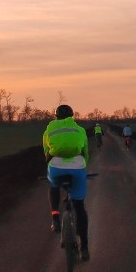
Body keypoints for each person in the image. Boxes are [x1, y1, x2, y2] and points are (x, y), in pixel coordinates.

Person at [43, 104, 92, 261]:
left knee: (53, 185)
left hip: (56, 167)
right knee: (79, 207)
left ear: (55, 116)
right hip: (77, 167)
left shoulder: (48, 129)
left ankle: (55, 219)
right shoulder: (80, 130)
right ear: (72, 116)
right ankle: (84, 247)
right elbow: (85, 153)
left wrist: (51, 163)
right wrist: (83, 168)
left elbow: (46, 152)